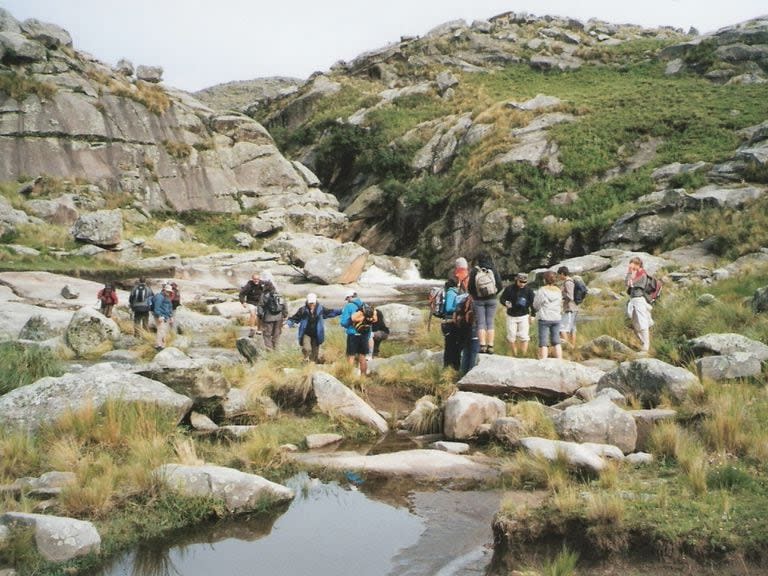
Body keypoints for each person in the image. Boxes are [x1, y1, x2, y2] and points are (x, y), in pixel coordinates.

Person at [286, 292, 341, 363]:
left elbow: (331, 312)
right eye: (310, 303)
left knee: (314, 355)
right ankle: (305, 358)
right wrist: (288, 324)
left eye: (313, 303)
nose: (311, 305)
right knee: (307, 348)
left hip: (317, 334)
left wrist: (342, 311)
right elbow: (294, 318)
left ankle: (311, 367)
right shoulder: (302, 310)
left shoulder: (321, 309)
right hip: (306, 333)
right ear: (307, 302)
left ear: (315, 301)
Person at [467, 253, 502, 354]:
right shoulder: (493, 270)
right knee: (490, 322)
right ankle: (490, 346)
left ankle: (482, 345)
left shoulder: (475, 271)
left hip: (478, 300)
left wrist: (476, 296)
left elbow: (470, 287)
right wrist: (494, 294)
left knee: (481, 323)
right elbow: (500, 285)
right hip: (492, 299)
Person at [499, 272, 535, 356]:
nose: (522, 284)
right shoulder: (509, 288)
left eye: (524, 282)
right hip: (511, 315)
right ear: (517, 280)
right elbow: (502, 299)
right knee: (511, 337)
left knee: (524, 336)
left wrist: (533, 315)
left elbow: (533, 303)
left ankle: (523, 355)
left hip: (524, 316)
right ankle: (514, 355)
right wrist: (506, 303)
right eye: (520, 282)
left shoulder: (529, 290)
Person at [625, 256, 655, 353]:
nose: (631, 266)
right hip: (633, 300)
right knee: (635, 323)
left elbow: (632, 284)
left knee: (642, 322)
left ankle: (646, 345)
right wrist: (630, 272)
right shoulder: (634, 273)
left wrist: (631, 277)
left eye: (633, 264)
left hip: (640, 300)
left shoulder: (642, 274)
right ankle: (643, 342)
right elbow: (627, 282)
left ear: (638, 265)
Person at [339, 289, 371, 376]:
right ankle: (363, 378)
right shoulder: (365, 305)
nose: (347, 301)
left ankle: (349, 377)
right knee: (362, 357)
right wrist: (368, 336)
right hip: (364, 334)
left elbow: (343, 322)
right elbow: (369, 323)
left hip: (353, 334)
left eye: (347, 298)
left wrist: (348, 324)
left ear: (350, 297)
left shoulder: (349, 306)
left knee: (351, 356)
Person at [533, 271, 563, 360]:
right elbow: (560, 304)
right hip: (556, 318)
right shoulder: (558, 290)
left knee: (543, 342)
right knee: (556, 341)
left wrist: (536, 310)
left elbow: (536, 304)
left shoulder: (542, 290)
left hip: (545, 318)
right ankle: (559, 360)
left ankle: (543, 361)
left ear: (544, 280)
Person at [259, 277, 287, 350]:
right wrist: (285, 314)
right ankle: (276, 348)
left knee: (267, 334)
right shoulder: (279, 294)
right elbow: (284, 304)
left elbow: (260, 305)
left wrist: (260, 315)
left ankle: (269, 348)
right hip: (279, 317)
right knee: (277, 333)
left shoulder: (264, 295)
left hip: (268, 317)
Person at [441, 278, 463, 369]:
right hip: (449, 323)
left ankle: (454, 366)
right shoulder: (451, 293)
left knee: (454, 345)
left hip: (451, 323)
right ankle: (447, 367)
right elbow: (449, 308)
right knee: (450, 346)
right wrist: (459, 308)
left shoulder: (452, 292)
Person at [239, 272, 265, 337]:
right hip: (251, 302)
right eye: (255, 279)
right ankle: (252, 329)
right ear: (252, 279)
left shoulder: (262, 284)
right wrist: (243, 302)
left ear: (259, 279)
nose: (256, 281)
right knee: (253, 314)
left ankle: (259, 330)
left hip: (260, 302)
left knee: (260, 315)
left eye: (257, 279)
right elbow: (242, 294)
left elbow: (268, 291)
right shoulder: (249, 285)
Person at [558, 266, 578, 347]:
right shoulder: (570, 281)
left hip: (569, 309)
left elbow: (570, 296)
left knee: (563, 329)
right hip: (573, 308)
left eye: (559, 275)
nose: (559, 277)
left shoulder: (568, 282)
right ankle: (572, 347)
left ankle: (568, 347)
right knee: (572, 329)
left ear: (563, 274)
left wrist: (562, 296)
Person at [152, 283, 174, 351]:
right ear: (164, 290)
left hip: (166, 316)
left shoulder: (168, 297)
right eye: (167, 291)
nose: (168, 293)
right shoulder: (159, 297)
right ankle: (158, 345)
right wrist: (159, 316)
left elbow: (170, 307)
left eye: (170, 292)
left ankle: (163, 345)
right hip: (160, 316)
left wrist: (171, 316)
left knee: (164, 331)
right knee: (160, 330)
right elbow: (156, 308)